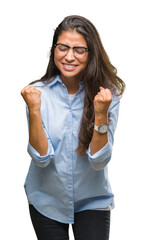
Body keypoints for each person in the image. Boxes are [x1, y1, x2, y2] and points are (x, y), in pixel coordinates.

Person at [21, 15, 125, 240]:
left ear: (91, 53)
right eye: (63, 47)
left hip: (92, 199)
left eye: (79, 50)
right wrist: (35, 110)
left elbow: (99, 161)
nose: (69, 56)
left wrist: (100, 114)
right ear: (54, 49)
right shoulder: (37, 94)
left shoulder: (107, 95)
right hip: (46, 199)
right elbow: (41, 158)